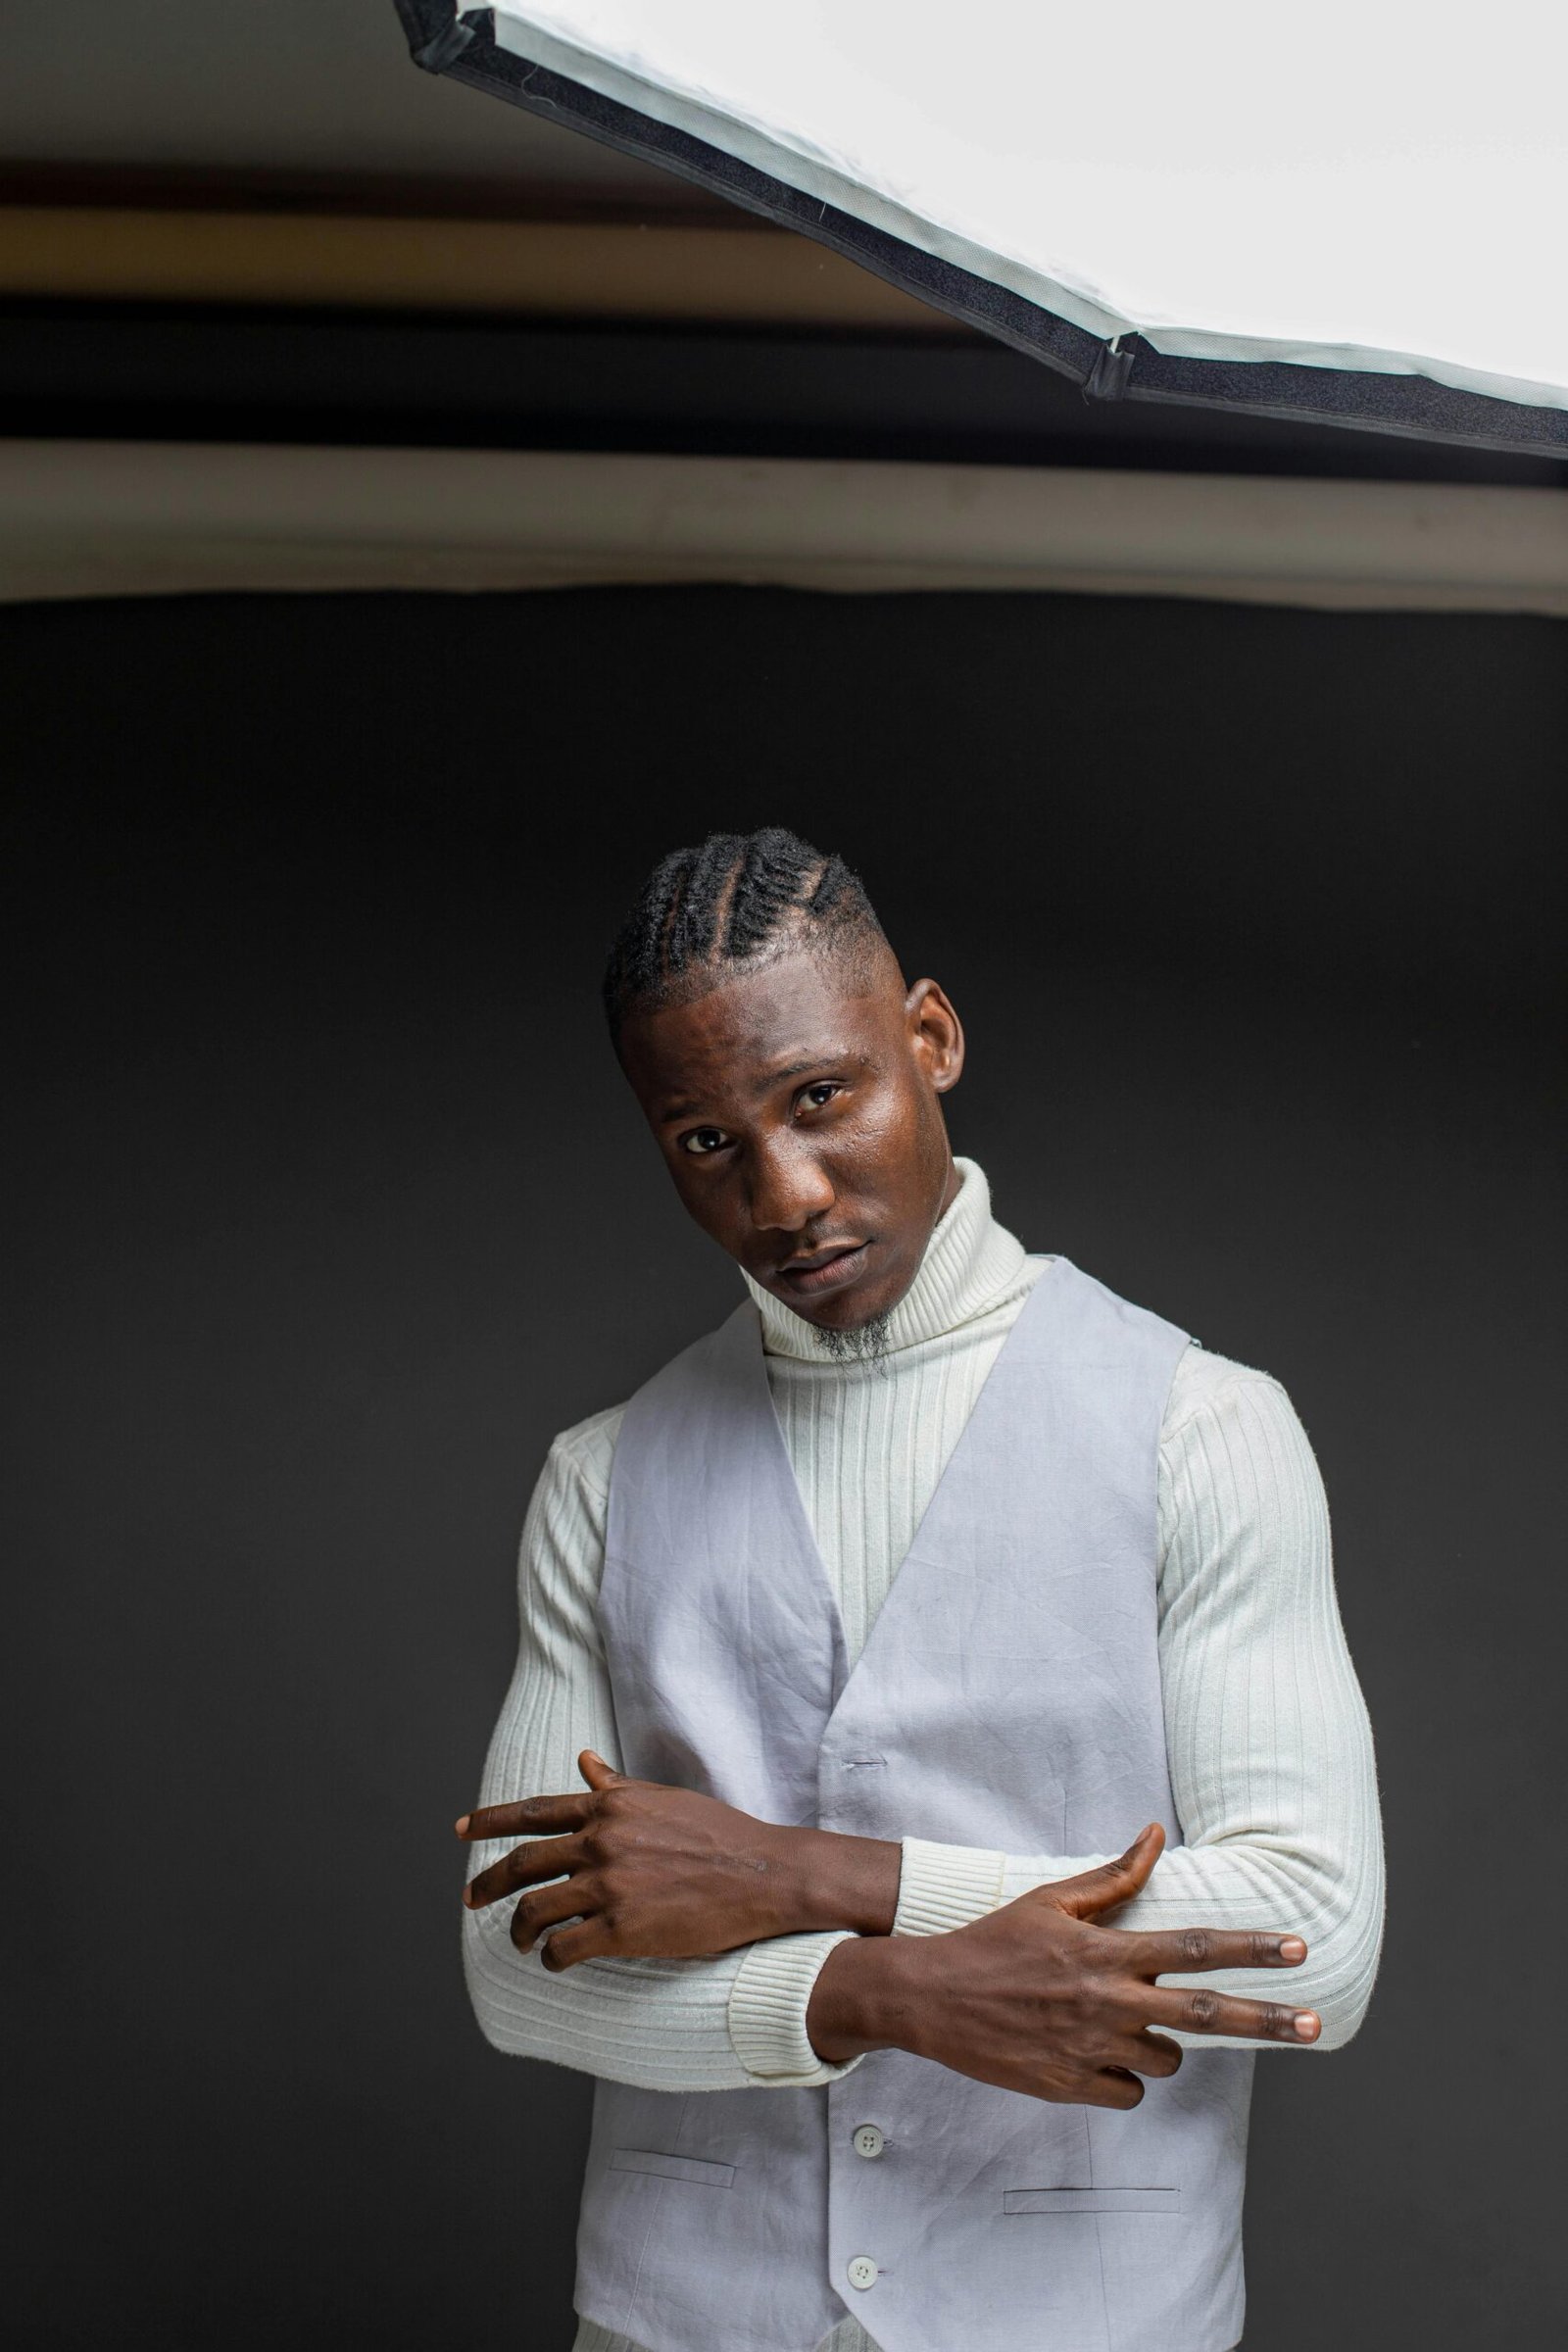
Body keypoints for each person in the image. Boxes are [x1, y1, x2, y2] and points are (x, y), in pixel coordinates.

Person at [455, 828, 1385, 2352]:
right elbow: (520, 1977)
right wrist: (878, 1996)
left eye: (820, 1097)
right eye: (703, 1142)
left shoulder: (1198, 1427)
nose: (784, 1192)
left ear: (930, 1039)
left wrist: (799, 1877)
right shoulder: (603, 1476)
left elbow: (1312, 1937)